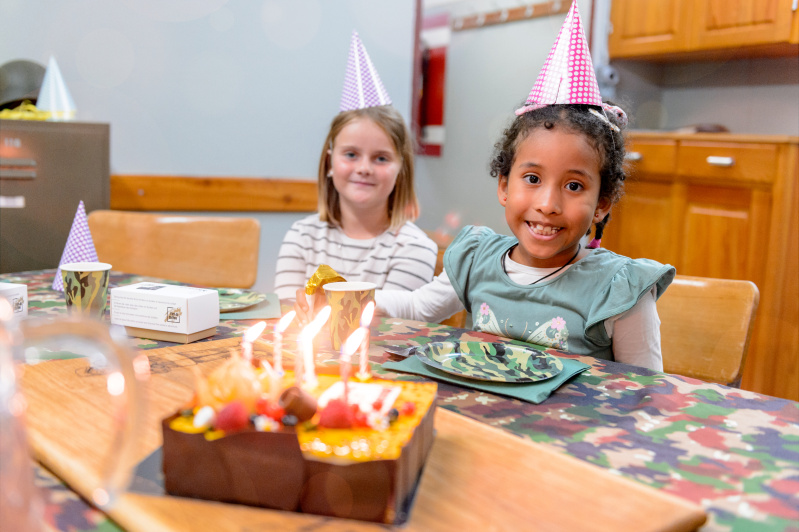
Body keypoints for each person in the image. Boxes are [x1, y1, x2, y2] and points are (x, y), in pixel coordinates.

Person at [375, 2, 675, 370]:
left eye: (575, 186)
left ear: (603, 202)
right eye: (532, 179)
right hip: (482, 423)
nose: (548, 203)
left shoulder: (619, 291)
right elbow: (417, 309)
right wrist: (359, 299)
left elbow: (644, 389)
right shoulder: (476, 261)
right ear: (504, 185)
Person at [274, 32, 438, 302]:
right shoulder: (301, 237)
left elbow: (390, 329)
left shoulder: (413, 247)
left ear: (401, 170)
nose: (364, 168)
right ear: (329, 163)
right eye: (351, 154)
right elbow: (288, 313)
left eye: (381, 158)